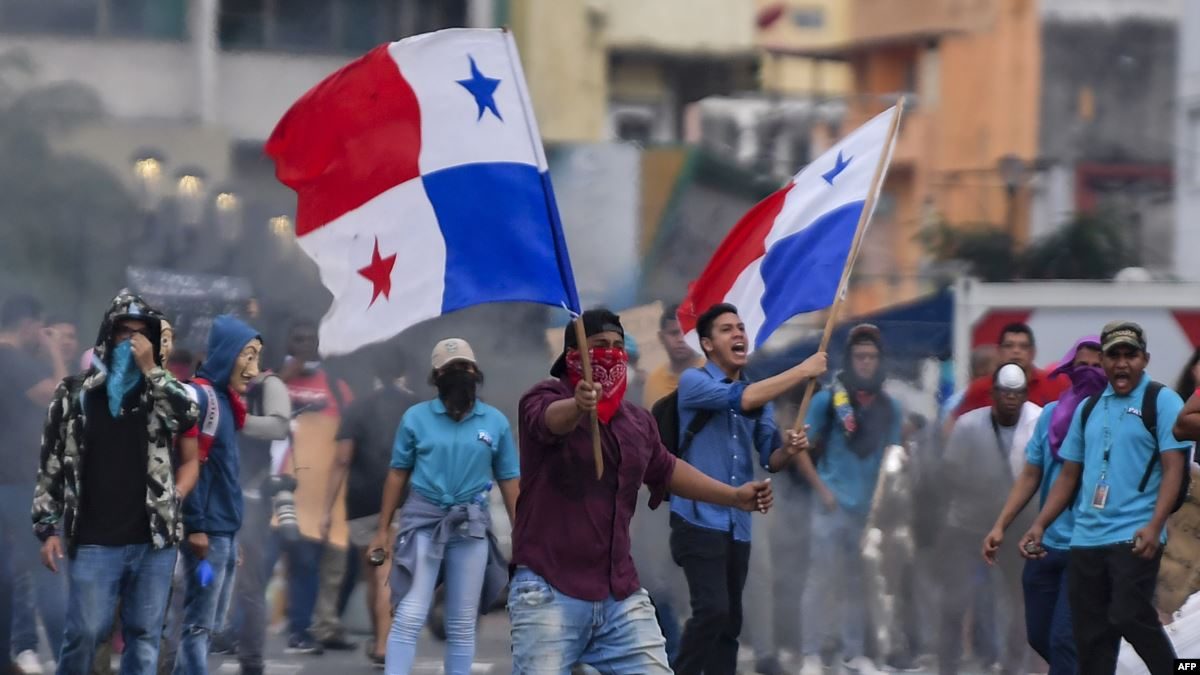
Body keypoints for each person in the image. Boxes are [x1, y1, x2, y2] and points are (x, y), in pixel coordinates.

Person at [505, 308, 777, 673]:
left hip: (619, 595)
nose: (611, 354)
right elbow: (549, 421)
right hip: (549, 590)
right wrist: (578, 406)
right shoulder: (542, 398)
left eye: (618, 346)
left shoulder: (635, 420)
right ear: (573, 356)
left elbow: (665, 467)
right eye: (599, 346)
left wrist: (733, 496)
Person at [32, 292, 200, 675]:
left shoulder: (162, 392)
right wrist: (47, 528)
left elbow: (189, 414)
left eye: (142, 335)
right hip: (94, 538)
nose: (132, 342)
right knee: (85, 632)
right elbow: (51, 460)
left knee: (144, 635)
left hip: (154, 539)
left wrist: (153, 371)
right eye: (124, 332)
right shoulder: (74, 392)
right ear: (108, 335)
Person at [1020, 321, 1186, 675]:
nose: (1122, 363)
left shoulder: (1162, 401)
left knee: (1128, 614)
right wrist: (1039, 524)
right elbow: (1069, 474)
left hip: (1135, 534)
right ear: (1105, 360)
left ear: (1145, 359)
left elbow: (1174, 468)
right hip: (1087, 538)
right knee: (1091, 637)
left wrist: (1156, 524)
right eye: (1114, 355)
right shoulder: (1089, 408)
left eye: (1131, 355)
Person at [669, 303, 824, 675]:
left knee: (731, 623)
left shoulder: (758, 394)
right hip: (697, 518)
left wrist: (790, 447)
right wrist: (803, 369)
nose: (738, 334)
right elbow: (741, 400)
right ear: (707, 344)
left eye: (740, 327)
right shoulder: (694, 383)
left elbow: (771, 458)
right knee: (712, 610)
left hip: (738, 524)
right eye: (726, 330)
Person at [367, 338, 518, 674]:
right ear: (436, 376)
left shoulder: (495, 422)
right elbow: (397, 475)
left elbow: (509, 480)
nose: (459, 373)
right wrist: (382, 530)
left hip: (471, 526)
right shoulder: (415, 418)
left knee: (462, 623)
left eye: (464, 366)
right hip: (423, 522)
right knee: (410, 613)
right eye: (450, 368)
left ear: (476, 372)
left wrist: (522, 534)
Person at [981, 336, 1104, 675]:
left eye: (1098, 366)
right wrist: (1001, 525)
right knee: (1039, 635)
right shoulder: (1051, 415)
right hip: (1047, 544)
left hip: (1090, 546)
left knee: (1065, 638)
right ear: (1069, 367)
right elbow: (1031, 474)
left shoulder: (1112, 421)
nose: (1090, 372)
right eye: (1083, 366)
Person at [795, 324, 902, 675]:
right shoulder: (828, 400)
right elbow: (800, 450)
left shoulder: (890, 407)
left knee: (859, 583)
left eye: (872, 356)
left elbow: (894, 458)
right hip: (830, 505)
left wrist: (885, 503)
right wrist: (822, 491)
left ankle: (852, 653)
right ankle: (811, 653)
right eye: (860, 356)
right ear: (850, 359)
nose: (866, 363)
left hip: (868, 511)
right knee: (820, 579)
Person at [172, 316, 262, 675]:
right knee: (199, 622)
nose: (254, 370)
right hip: (206, 537)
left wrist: (231, 532)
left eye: (257, 358)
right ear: (226, 354)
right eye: (249, 356)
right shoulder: (202, 396)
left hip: (222, 534)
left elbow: (223, 475)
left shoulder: (225, 400)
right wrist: (196, 526)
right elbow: (192, 465)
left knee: (210, 623)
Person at [939, 363, 1042, 675]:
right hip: (968, 524)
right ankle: (950, 664)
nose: (1010, 399)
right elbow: (950, 474)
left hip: (1017, 526)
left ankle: (1011, 665)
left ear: (1024, 395)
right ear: (993, 393)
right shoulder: (969, 425)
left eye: (1017, 393)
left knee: (1019, 599)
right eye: (1005, 392)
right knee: (957, 597)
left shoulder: (1036, 423)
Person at [323, 345, 419, 668]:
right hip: (407, 502)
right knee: (387, 573)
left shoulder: (358, 408)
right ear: (403, 372)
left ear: (376, 374)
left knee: (375, 571)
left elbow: (342, 460)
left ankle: (381, 640)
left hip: (362, 505)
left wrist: (326, 508)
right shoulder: (417, 408)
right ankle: (382, 643)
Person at [276, 319, 355, 654]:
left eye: (311, 339)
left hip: (319, 497)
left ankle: (311, 628)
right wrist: (285, 376)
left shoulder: (337, 387)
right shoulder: (270, 382)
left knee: (319, 566)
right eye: (299, 338)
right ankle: (233, 630)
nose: (306, 345)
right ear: (289, 343)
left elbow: (349, 441)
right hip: (271, 493)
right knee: (259, 565)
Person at [0, 296, 68, 675]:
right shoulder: (13, 361)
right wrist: (54, 350)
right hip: (19, 484)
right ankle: (68, 661)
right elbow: (59, 395)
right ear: (27, 325)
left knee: (5, 577)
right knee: (48, 572)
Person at [955, 323, 1068, 417]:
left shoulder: (1057, 385)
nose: (1016, 351)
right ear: (999, 351)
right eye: (1009, 346)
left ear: (1033, 352)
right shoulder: (979, 388)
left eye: (1023, 346)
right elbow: (956, 425)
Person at [643, 303, 704, 407]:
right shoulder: (653, 382)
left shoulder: (712, 372)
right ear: (661, 337)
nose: (681, 340)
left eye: (685, 332)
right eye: (674, 333)